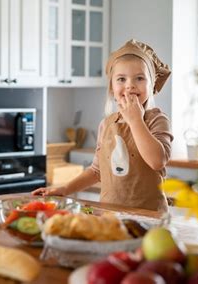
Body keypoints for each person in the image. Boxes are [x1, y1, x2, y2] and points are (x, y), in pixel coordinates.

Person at [33, 39, 173, 212]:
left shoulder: (156, 120)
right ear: (112, 87)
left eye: (140, 78)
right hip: (110, 216)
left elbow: (157, 161)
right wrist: (65, 189)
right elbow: (96, 171)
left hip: (149, 217)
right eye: (121, 79)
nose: (130, 85)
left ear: (152, 85)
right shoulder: (106, 124)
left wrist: (136, 120)